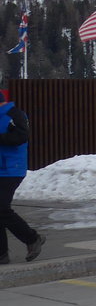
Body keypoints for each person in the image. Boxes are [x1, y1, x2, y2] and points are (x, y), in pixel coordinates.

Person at [0, 90, 45, 264]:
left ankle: (32, 238)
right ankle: (2, 254)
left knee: (1, 208)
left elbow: (21, 136)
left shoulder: (15, 114)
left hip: (12, 169)